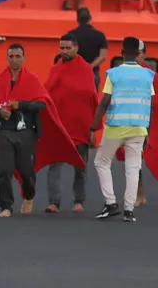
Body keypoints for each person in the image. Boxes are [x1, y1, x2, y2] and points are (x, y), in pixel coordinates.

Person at [0, 43, 84, 218]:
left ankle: (29, 195)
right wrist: (0, 112)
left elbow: (42, 103)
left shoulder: (32, 79)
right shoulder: (0, 80)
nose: (14, 60)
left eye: (18, 56)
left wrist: (20, 104)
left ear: (24, 58)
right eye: (11, 56)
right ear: (7, 58)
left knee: (26, 171)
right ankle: (6, 206)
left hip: (26, 132)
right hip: (4, 131)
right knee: (3, 170)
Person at [89, 36, 154, 222]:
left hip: (116, 127)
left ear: (122, 53)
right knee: (133, 168)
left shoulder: (114, 74)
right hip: (138, 129)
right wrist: (147, 130)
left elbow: (105, 101)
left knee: (101, 161)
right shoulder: (148, 75)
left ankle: (110, 204)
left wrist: (93, 127)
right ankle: (128, 210)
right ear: (138, 53)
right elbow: (150, 105)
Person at [43, 33, 97, 213]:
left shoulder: (86, 69)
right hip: (59, 126)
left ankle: (79, 201)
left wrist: (92, 129)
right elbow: (46, 93)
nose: (64, 51)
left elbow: (91, 98)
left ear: (76, 48)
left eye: (67, 48)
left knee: (80, 167)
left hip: (80, 126)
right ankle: (54, 202)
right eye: (62, 48)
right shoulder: (55, 68)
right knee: (54, 165)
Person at [116, 41, 158, 207]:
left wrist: (147, 129)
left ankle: (137, 194)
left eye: (138, 54)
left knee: (134, 159)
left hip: (142, 123)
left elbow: (157, 104)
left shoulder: (151, 76)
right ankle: (138, 193)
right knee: (131, 160)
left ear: (144, 55)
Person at [69, 7, 108, 88]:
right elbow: (102, 56)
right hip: (93, 73)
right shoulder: (100, 35)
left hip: (75, 72)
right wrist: (89, 67)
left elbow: (68, 54)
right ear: (90, 18)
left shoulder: (71, 35)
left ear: (77, 19)